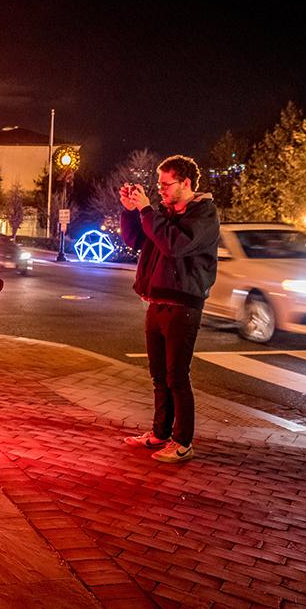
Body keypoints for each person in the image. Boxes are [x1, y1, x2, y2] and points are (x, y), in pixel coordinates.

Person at [119, 154, 219, 463]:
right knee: (158, 375)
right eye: (159, 184)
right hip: (157, 302)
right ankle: (160, 433)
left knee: (177, 375)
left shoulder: (203, 215)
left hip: (183, 304)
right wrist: (129, 211)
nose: (160, 190)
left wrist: (148, 209)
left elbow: (173, 244)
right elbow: (136, 239)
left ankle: (183, 441)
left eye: (166, 184)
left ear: (185, 183)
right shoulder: (163, 212)